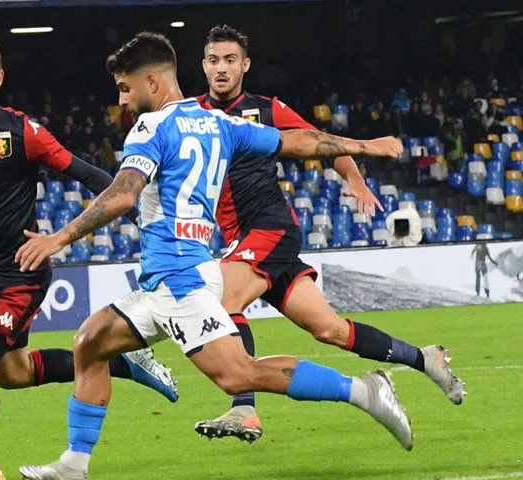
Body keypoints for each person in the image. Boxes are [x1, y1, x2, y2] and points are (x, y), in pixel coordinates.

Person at [15, 33, 412, 480]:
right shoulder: (218, 123)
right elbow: (297, 141)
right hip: (170, 280)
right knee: (90, 342)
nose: (121, 100)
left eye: (125, 88)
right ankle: (74, 466)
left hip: (180, 281)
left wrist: (58, 238)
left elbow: (122, 195)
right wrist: (365, 145)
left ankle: (364, 391)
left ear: (151, 82)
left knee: (239, 375)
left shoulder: (150, 128)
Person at [0, 28, 178, 461]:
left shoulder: (23, 132)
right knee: (13, 374)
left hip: (23, 273)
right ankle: (124, 362)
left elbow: (87, 174)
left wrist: (141, 218)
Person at [192, 25, 464, 442]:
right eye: (214, 60)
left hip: (270, 228)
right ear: (204, 66)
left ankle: (244, 408)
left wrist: (354, 178)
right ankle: (425, 359)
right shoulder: (191, 114)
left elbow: (317, 141)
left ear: (245, 65)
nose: (221, 69)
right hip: (244, 242)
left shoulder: (266, 110)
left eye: (230, 60)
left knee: (224, 301)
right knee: (331, 330)